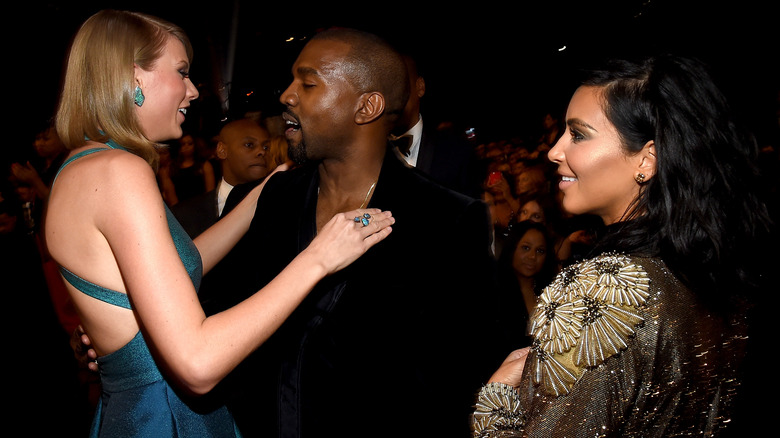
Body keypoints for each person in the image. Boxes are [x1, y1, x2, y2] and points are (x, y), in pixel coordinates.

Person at [47, 10, 394, 438]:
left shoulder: (80, 168)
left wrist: (261, 193)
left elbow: (177, 264)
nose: (192, 91)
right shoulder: (119, 172)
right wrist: (319, 257)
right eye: (181, 72)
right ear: (134, 77)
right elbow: (198, 363)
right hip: (166, 416)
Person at [210, 27, 512, 437]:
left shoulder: (449, 219)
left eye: (308, 82)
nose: (286, 95)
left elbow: (457, 385)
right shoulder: (276, 197)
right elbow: (221, 315)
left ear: (367, 106)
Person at [471, 54, 774, 437]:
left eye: (578, 134)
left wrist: (496, 399)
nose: (554, 151)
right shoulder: (716, 270)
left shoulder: (602, 293)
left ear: (646, 160)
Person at [388, 52, 485, 199]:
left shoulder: (458, 151)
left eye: (400, 83)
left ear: (420, 87)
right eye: (385, 87)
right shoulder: (366, 153)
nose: (393, 94)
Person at [172, 117, 272, 238]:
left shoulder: (283, 207)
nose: (261, 151)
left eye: (266, 147)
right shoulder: (184, 216)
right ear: (222, 150)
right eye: (249, 145)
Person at [494, 220, 558, 346]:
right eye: (526, 248)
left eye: (540, 251)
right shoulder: (494, 290)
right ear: (512, 248)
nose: (532, 256)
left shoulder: (550, 293)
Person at [169, 131, 216, 204]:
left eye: (190, 143)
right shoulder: (172, 167)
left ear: (195, 145)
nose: (186, 147)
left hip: (202, 206)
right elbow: (171, 195)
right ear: (179, 147)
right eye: (183, 144)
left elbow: (210, 192)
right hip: (181, 209)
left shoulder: (204, 164)